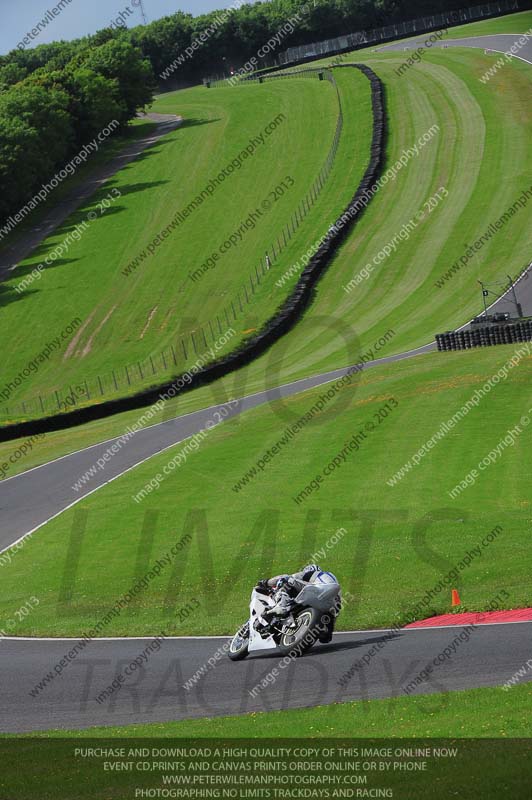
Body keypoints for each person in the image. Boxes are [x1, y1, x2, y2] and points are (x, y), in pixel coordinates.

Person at [255, 564, 340, 644]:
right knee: (329, 621)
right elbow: (336, 610)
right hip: (332, 602)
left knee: (288, 580)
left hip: (318, 590)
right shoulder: (329, 578)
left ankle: (282, 606)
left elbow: (286, 577)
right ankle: (326, 630)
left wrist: (266, 582)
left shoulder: (314, 574)